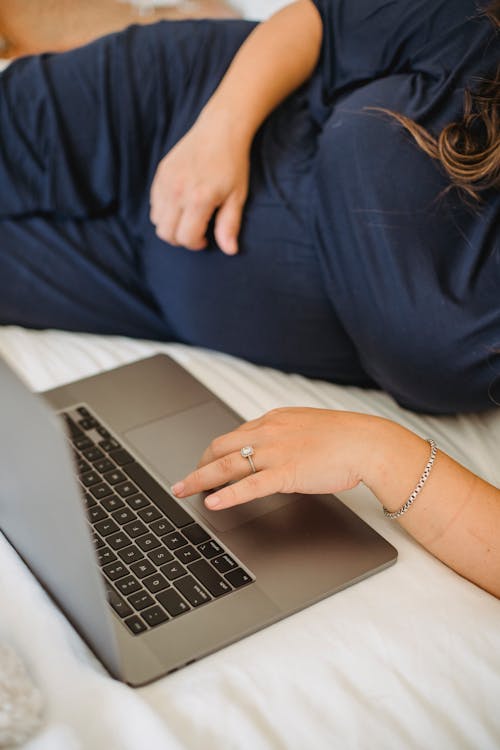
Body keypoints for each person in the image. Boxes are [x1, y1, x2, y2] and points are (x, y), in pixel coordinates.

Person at [0, 1, 499, 595]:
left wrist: (380, 453)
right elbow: (322, 18)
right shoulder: (481, 32)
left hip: (144, 290)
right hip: (181, 113)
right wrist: (220, 132)